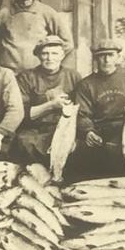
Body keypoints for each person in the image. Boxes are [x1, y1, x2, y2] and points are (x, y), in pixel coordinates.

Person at [72, 39, 125, 178]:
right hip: (101, 129)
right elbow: (82, 114)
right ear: (96, 59)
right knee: (90, 155)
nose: (106, 60)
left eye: (111, 55)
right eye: (102, 56)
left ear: (118, 57)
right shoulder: (86, 84)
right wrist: (88, 131)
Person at [12, 35, 82, 164]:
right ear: (38, 56)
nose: (50, 58)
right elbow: (21, 113)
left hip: (65, 128)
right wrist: (52, 105)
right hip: (35, 129)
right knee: (24, 142)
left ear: (62, 56)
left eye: (55, 53)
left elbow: (82, 109)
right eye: (45, 53)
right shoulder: (26, 77)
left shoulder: (73, 76)